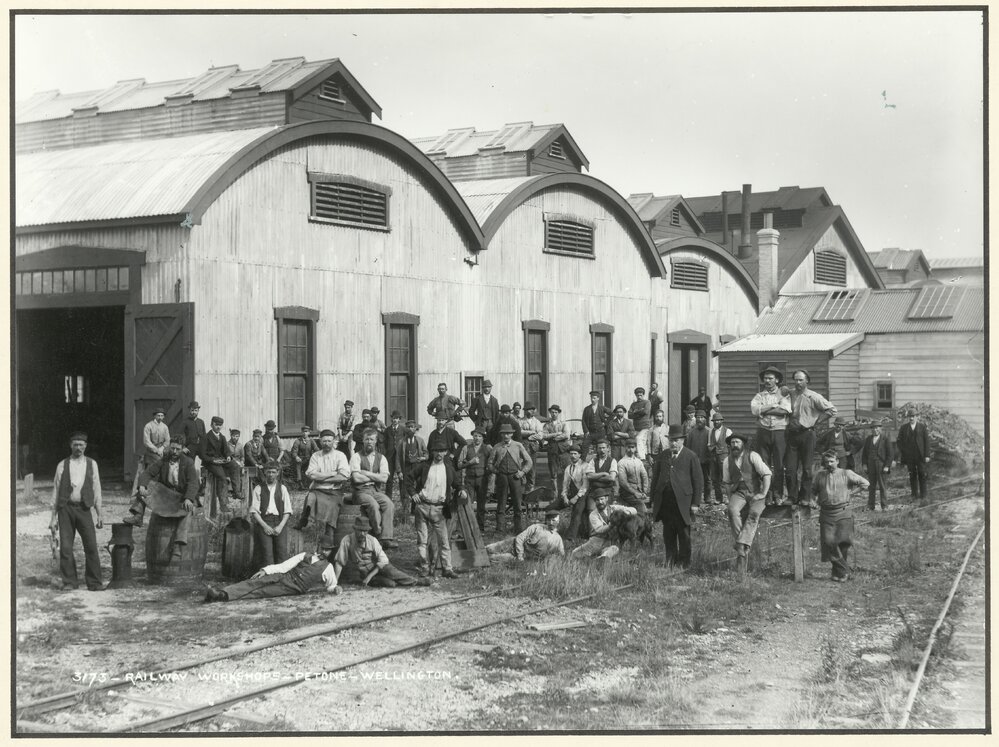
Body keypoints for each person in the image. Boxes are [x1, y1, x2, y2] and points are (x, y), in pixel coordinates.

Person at [126, 435, 200, 557]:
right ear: (169, 447)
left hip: (182, 496)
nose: (174, 452)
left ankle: (178, 543)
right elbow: (148, 473)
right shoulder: (164, 460)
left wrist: (188, 498)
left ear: (182, 449)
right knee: (147, 485)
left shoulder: (188, 462)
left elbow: (193, 482)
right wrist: (142, 486)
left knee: (187, 511)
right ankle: (138, 515)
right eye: (172, 448)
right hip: (166, 494)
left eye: (177, 449)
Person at [50, 432, 104, 591]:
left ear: (86, 446)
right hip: (65, 510)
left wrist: (99, 513)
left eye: (81, 444)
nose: (78, 447)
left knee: (91, 546)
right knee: (66, 547)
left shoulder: (92, 464)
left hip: (84, 508)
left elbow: (97, 489)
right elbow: (55, 492)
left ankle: (94, 583)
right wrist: (52, 518)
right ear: (70, 445)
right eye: (75, 444)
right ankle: (69, 582)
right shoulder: (62, 465)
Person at [812, 450, 869, 582]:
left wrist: (851, 493)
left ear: (837, 461)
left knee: (842, 543)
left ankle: (838, 574)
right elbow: (812, 491)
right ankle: (846, 571)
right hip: (826, 514)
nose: (829, 464)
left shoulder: (846, 473)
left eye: (832, 461)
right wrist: (813, 501)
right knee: (828, 542)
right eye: (826, 462)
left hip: (843, 512)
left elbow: (865, 483)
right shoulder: (820, 476)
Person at [650, 424, 703, 568]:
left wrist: (695, 503)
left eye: (676, 440)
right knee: (668, 533)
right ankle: (671, 560)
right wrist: (652, 500)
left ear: (682, 441)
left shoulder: (691, 456)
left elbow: (698, 481)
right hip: (666, 502)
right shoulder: (663, 456)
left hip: (684, 502)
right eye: (671, 440)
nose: (673, 443)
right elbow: (655, 479)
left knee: (684, 533)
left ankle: (684, 563)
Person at [721, 433, 773, 577]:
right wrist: (730, 497)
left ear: (743, 444)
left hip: (756, 492)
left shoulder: (752, 456)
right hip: (739, 493)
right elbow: (726, 482)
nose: (734, 445)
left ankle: (740, 544)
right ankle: (741, 545)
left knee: (754, 513)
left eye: (737, 442)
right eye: (732, 443)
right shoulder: (727, 460)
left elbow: (767, 474)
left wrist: (763, 493)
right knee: (732, 510)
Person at [786, 369, 837, 506]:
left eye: (801, 380)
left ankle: (805, 497)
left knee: (807, 469)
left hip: (807, 434)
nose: (798, 382)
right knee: (790, 469)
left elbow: (831, 410)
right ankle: (792, 497)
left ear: (807, 380)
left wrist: (816, 421)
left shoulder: (813, 396)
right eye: (796, 379)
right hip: (791, 434)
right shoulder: (790, 394)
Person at [204, 551, 338, 602]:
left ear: (331, 551)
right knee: (255, 582)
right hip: (284, 575)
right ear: (318, 546)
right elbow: (284, 566)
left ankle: (222, 597)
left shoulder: (328, 567)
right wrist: (265, 570)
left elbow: (331, 586)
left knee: (261, 592)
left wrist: (336, 589)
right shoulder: (305, 555)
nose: (324, 551)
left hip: (294, 587)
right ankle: (221, 592)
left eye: (328, 549)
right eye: (323, 547)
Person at [332, 516, 427, 587]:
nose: (362, 534)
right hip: (364, 573)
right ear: (355, 529)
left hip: (378, 568)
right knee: (391, 584)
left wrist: (369, 577)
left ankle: (416, 581)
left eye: (365, 531)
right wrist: (334, 584)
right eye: (360, 530)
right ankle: (400, 581)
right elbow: (339, 562)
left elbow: (383, 560)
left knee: (391, 571)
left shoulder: (372, 540)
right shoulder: (347, 540)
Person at [412, 445, 460, 578]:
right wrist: (413, 493)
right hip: (422, 506)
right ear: (432, 452)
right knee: (422, 540)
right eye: (436, 450)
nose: (439, 453)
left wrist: (461, 491)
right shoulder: (424, 466)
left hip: (439, 509)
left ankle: (447, 569)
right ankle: (425, 568)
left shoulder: (449, 468)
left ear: (445, 452)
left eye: (442, 451)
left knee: (444, 541)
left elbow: (457, 483)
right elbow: (408, 478)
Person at [348, 429, 396, 548]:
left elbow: (384, 479)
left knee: (389, 504)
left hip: (375, 491)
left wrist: (367, 473)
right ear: (363, 441)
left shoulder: (381, 458)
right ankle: (378, 533)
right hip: (360, 492)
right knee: (373, 505)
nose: (369, 442)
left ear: (376, 442)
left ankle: (387, 538)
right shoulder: (356, 457)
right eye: (367, 439)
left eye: (372, 439)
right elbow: (356, 479)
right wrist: (376, 477)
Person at [750, 366, 791, 505]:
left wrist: (764, 410)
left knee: (779, 465)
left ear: (777, 380)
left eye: (770, 378)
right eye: (765, 378)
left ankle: (778, 495)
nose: (767, 381)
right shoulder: (759, 396)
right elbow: (755, 410)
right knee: (764, 465)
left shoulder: (784, 395)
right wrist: (773, 406)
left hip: (780, 432)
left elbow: (785, 410)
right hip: (763, 432)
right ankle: (767, 495)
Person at [487, 423, 533, 534]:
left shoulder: (518, 445)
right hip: (502, 477)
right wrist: (496, 471)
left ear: (512, 434)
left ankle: (518, 529)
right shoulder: (497, 446)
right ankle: (500, 529)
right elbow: (490, 463)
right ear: (501, 435)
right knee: (501, 504)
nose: (506, 436)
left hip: (515, 477)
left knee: (517, 504)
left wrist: (522, 472)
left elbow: (529, 461)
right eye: (503, 434)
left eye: (508, 434)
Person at [301, 429, 351, 530]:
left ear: (333, 442)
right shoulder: (316, 456)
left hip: (334, 491)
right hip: (317, 489)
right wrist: (332, 474)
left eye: (329, 441)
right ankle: (308, 526)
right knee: (310, 500)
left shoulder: (340, 456)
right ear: (320, 442)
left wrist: (321, 478)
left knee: (332, 506)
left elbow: (343, 476)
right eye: (324, 441)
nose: (326, 444)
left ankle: (329, 533)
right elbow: (311, 475)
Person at [250, 461, 292, 567]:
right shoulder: (258, 488)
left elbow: (288, 511)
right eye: (268, 472)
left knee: (282, 553)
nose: (271, 475)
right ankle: (268, 580)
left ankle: (281, 580)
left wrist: (280, 526)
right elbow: (254, 511)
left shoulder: (282, 488)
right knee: (266, 554)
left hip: (279, 521)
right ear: (265, 472)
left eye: (273, 472)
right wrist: (264, 526)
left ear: (278, 473)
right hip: (264, 521)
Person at [571, 494, 637, 560]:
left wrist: (624, 512)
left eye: (602, 499)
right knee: (575, 553)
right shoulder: (593, 514)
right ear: (595, 502)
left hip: (610, 542)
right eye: (597, 500)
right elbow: (599, 530)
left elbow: (634, 510)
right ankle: (595, 555)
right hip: (596, 541)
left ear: (606, 499)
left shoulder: (614, 508)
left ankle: (601, 559)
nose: (600, 502)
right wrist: (611, 525)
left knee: (614, 549)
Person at [487, 510, 565, 563]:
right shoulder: (537, 527)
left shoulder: (558, 539)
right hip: (512, 544)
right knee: (488, 549)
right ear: (546, 520)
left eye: (554, 520)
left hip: (521, 557)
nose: (551, 523)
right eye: (549, 520)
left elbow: (562, 555)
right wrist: (520, 555)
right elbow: (519, 538)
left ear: (558, 521)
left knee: (490, 558)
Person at [202, 416, 244, 506]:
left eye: (220, 425)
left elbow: (226, 451)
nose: (218, 427)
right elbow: (202, 455)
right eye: (216, 425)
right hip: (210, 462)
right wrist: (213, 460)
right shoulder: (206, 437)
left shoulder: (222, 437)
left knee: (235, 466)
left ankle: (236, 492)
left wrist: (228, 456)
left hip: (221, 460)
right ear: (211, 424)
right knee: (222, 477)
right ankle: (223, 503)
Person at [457, 428, 492, 531]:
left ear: (483, 438)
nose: (477, 438)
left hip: (482, 479)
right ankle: (469, 527)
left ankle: (480, 527)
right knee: (468, 503)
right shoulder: (466, 448)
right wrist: (469, 463)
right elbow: (459, 465)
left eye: (480, 436)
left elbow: (493, 463)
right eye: (475, 436)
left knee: (481, 505)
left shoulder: (488, 448)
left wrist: (488, 475)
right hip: (470, 480)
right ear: (472, 437)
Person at [397, 419, 428, 521]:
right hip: (406, 468)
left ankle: (415, 510)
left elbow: (426, 453)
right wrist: (399, 471)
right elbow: (397, 458)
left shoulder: (420, 440)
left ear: (415, 429)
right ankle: (405, 512)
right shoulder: (402, 442)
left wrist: (423, 458)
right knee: (405, 489)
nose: (410, 429)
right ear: (406, 429)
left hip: (417, 468)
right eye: (408, 427)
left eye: (412, 427)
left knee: (417, 488)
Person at [896, 409, 930, 500]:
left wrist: (927, 455)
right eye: (910, 417)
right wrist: (904, 451)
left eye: (913, 416)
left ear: (917, 417)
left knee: (922, 474)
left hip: (920, 455)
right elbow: (899, 441)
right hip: (909, 456)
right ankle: (914, 494)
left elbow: (926, 442)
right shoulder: (904, 428)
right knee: (912, 475)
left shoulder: (922, 427)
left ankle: (924, 495)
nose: (911, 418)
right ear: (908, 418)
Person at [862, 419, 894, 510]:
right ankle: (870, 505)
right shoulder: (868, 439)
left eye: (877, 428)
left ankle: (884, 506)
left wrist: (887, 466)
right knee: (871, 486)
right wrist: (864, 464)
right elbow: (864, 454)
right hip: (871, 465)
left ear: (880, 429)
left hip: (881, 465)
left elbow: (890, 454)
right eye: (873, 428)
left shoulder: (885, 439)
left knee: (882, 486)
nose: (875, 430)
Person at [540, 404, 571, 496]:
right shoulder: (547, 425)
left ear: (559, 413)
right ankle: (555, 495)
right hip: (552, 452)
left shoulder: (563, 424)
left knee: (566, 472)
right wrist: (556, 434)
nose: (554, 414)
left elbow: (566, 435)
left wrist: (553, 438)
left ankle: (566, 494)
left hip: (563, 451)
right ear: (550, 413)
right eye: (552, 412)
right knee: (553, 474)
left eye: (556, 412)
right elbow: (544, 436)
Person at [616, 438, 649, 514]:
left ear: (636, 448)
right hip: (627, 493)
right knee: (642, 509)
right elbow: (623, 482)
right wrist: (635, 493)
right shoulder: (622, 463)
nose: (631, 450)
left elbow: (644, 476)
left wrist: (644, 491)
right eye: (629, 447)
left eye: (633, 447)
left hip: (639, 491)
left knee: (641, 505)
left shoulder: (638, 461)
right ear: (625, 447)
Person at [685, 410, 712, 505]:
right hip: (695, 461)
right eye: (698, 417)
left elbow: (711, 447)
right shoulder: (692, 432)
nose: (699, 419)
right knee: (695, 479)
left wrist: (709, 458)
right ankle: (696, 498)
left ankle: (707, 497)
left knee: (707, 479)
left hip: (706, 460)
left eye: (702, 417)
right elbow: (688, 447)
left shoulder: (709, 431)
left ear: (705, 419)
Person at [707, 413, 732, 506]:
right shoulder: (711, 431)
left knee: (726, 478)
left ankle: (729, 498)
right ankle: (718, 498)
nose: (716, 422)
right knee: (714, 478)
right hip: (713, 457)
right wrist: (711, 448)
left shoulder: (727, 431)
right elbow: (709, 443)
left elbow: (731, 445)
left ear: (722, 421)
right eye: (715, 421)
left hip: (724, 456)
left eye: (718, 420)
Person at [518, 403, 545, 492]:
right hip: (523, 446)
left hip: (533, 447)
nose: (530, 411)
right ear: (525, 411)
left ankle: (530, 490)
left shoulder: (537, 422)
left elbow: (540, 435)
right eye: (528, 410)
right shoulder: (520, 421)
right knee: (522, 466)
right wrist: (531, 432)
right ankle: (522, 491)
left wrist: (530, 437)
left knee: (532, 469)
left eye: (531, 409)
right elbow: (519, 432)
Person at [586, 438, 618, 511]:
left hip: (607, 491)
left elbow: (611, 478)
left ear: (608, 449)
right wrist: (603, 473)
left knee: (606, 511)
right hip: (594, 491)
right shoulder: (593, 461)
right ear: (596, 449)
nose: (602, 450)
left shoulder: (612, 461)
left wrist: (595, 477)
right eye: (599, 448)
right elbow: (589, 476)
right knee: (591, 510)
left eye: (603, 448)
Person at [581, 390, 612, 458]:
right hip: (590, 433)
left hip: (601, 432)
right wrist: (586, 431)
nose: (592, 400)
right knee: (584, 446)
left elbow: (612, 414)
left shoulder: (602, 408)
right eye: (591, 398)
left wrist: (605, 423)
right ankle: (582, 462)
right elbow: (583, 421)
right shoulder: (587, 409)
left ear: (598, 398)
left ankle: (601, 461)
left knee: (601, 447)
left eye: (594, 398)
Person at [383, 411, 406, 499]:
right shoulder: (387, 430)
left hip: (400, 457)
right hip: (390, 456)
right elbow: (385, 443)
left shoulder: (403, 429)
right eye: (393, 418)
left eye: (396, 418)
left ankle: (403, 499)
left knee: (401, 477)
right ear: (391, 419)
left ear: (399, 420)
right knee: (389, 478)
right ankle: (388, 498)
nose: (395, 420)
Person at [179, 400, 206, 467]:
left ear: (198, 411)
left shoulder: (201, 422)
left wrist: (206, 447)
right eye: (192, 410)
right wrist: (183, 447)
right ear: (189, 410)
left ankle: (204, 476)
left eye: (195, 410)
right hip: (190, 447)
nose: (194, 412)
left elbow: (204, 436)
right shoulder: (185, 422)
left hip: (200, 446)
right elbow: (180, 435)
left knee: (207, 460)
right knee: (190, 464)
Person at [629, 387, 653, 461]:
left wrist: (635, 412)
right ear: (635, 395)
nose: (639, 397)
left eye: (641, 395)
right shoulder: (633, 404)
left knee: (639, 439)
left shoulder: (647, 402)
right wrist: (640, 411)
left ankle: (642, 458)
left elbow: (645, 412)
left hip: (645, 427)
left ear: (643, 395)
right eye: (638, 395)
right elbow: (629, 415)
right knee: (634, 441)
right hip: (636, 427)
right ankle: (635, 458)